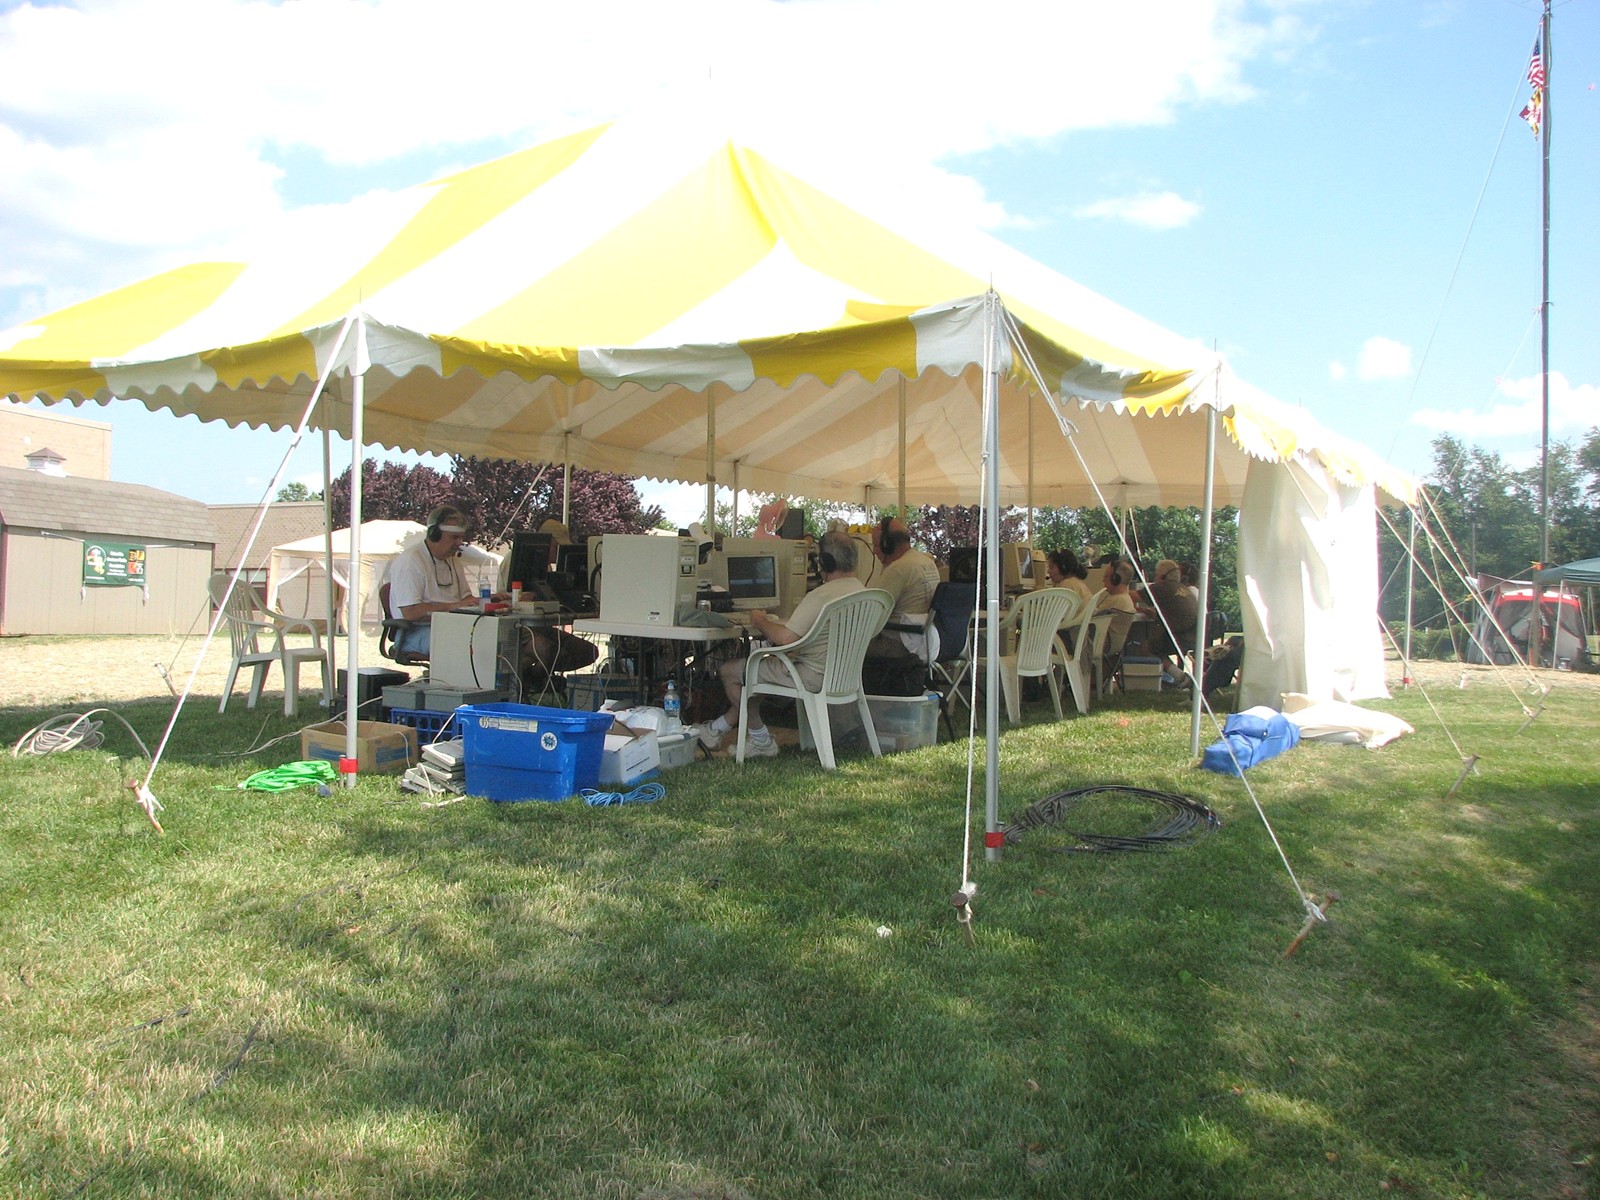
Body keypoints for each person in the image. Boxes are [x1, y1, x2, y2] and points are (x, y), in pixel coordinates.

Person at [699, 532, 865, 758]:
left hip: (809, 676)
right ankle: (717, 729)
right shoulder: (863, 592)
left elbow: (786, 638)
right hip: (844, 675)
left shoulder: (821, 595)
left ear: (824, 562)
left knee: (731, 671)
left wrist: (760, 621)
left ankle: (760, 741)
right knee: (755, 675)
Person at [386, 503, 493, 658]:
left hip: (451, 626)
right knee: (470, 645)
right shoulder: (410, 561)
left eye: (461, 538)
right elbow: (411, 612)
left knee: (493, 638)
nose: (459, 543)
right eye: (454, 537)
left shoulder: (453, 561)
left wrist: (486, 601)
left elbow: (466, 599)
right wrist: (453, 606)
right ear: (434, 534)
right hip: (414, 632)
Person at [862, 516, 940, 691]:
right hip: (925, 641)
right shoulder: (927, 562)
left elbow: (872, 614)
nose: (874, 551)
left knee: (842, 643)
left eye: (876, 545)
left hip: (898, 643)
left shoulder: (898, 568)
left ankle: (840, 697)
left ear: (887, 544)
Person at [1137, 558, 1199, 681]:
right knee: (1155, 644)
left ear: (1163, 576)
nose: (1155, 578)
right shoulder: (1185, 589)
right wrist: (1154, 614)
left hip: (1179, 637)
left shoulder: (1162, 587)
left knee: (1147, 647)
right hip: (1192, 636)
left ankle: (1179, 677)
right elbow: (1176, 615)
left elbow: (1131, 596)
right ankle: (1176, 677)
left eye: (1156, 575)